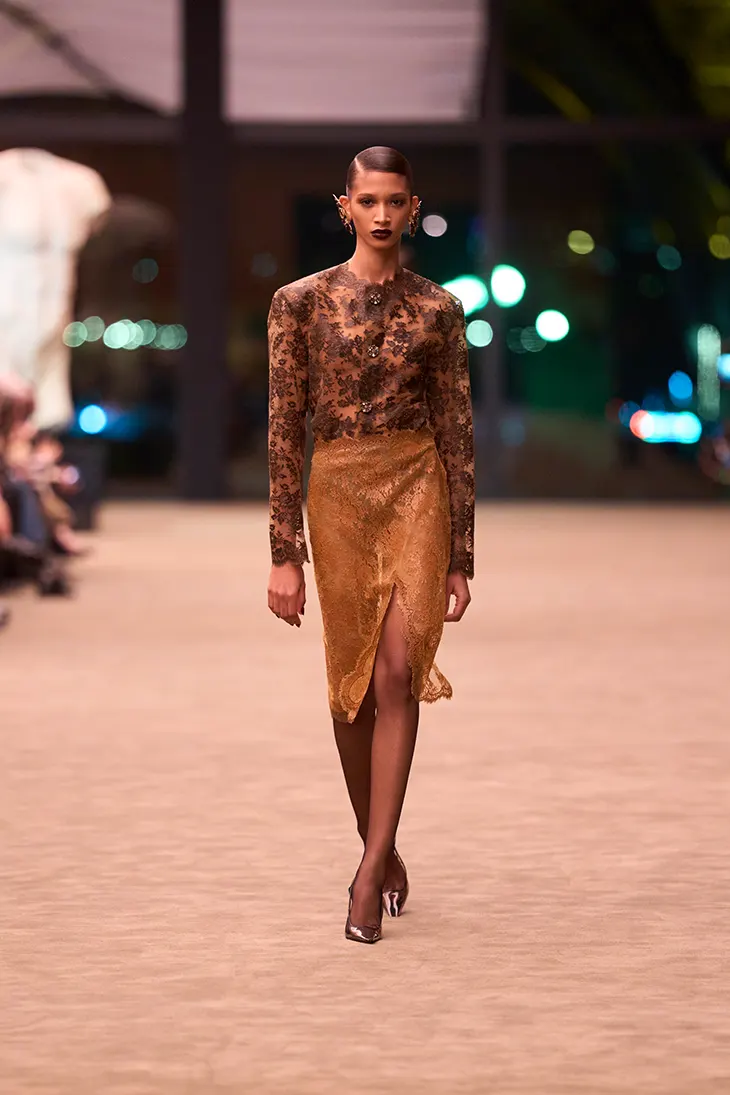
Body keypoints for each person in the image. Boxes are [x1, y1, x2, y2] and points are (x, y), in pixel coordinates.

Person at [267, 147, 475, 945]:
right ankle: (380, 846)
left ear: (413, 207)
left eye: (395, 200)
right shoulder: (299, 303)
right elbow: (284, 429)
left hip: (418, 483)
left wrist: (460, 554)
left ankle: (367, 869)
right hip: (338, 492)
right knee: (350, 689)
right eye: (368, 200)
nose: (382, 214)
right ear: (344, 206)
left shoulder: (440, 309)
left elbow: (457, 430)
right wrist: (284, 551)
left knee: (396, 672)